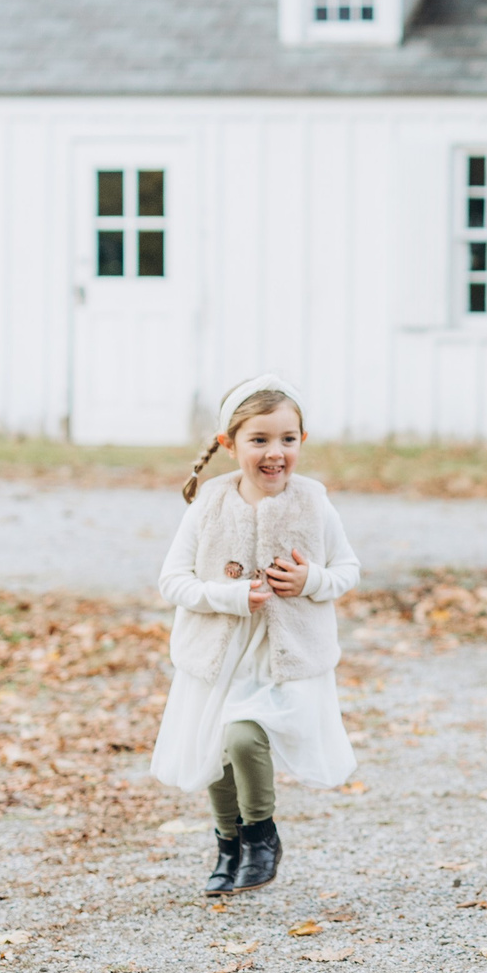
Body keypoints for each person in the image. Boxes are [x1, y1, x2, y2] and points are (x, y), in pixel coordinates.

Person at [152, 375, 361, 897]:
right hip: (219, 655)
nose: (275, 454)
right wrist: (228, 594)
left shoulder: (314, 505)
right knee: (215, 754)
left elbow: (347, 568)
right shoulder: (208, 506)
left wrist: (311, 580)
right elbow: (172, 580)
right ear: (229, 445)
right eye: (259, 440)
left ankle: (261, 836)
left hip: (280, 658)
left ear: (302, 442)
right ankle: (229, 845)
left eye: (287, 440)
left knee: (244, 737)